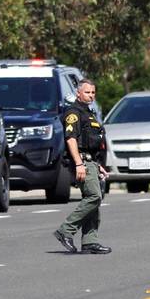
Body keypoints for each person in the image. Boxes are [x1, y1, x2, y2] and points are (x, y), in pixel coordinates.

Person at [53, 79, 112, 255]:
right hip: (82, 162)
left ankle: (89, 242)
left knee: (95, 199)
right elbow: (71, 139)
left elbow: (91, 142)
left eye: (93, 92)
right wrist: (79, 163)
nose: (91, 95)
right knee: (94, 196)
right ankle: (65, 231)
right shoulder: (74, 113)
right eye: (87, 92)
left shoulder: (89, 113)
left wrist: (98, 165)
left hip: (90, 162)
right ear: (78, 93)